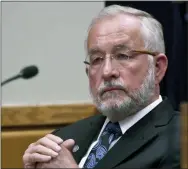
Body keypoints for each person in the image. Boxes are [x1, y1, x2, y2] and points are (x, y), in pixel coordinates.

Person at [23, 4, 180, 169]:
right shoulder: (63, 139)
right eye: (97, 59)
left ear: (157, 68)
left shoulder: (179, 141)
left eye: (123, 55)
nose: (107, 72)